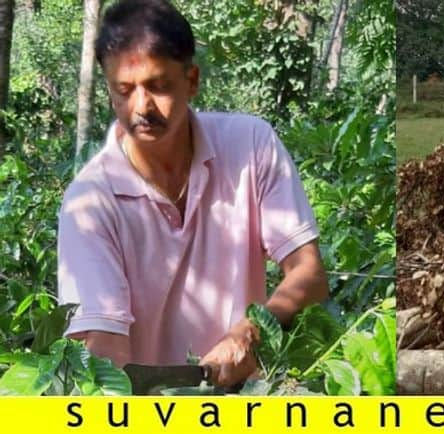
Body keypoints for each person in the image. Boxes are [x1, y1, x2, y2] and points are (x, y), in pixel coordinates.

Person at [57, 0, 328, 388]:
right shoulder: (89, 204)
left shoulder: (251, 145)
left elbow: (309, 273)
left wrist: (251, 333)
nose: (141, 107)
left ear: (193, 80)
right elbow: (104, 346)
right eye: (124, 91)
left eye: (158, 86)